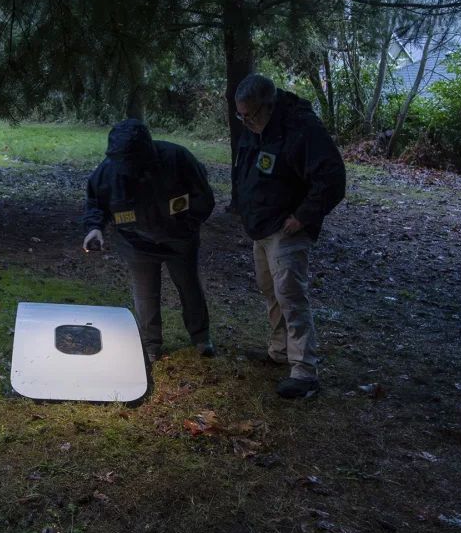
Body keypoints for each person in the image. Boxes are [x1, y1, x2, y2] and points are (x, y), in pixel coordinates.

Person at [230, 74, 345, 399]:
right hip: (262, 227)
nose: (245, 122)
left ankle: (304, 371)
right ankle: (280, 351)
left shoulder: (301, 129)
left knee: (291, 296)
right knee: (271, 291)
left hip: (286, 227)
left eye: (249, 115)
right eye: (241, 116)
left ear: (269, 105)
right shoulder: (255, 127)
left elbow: (333, 178)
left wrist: (303, 216)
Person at [83, 119, 215, 362]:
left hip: (179, 240)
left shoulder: (177, 158)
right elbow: (96, 203)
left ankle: (201, 337)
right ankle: (151, 345)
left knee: (189, 286)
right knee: (145, 293)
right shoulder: (108, 171)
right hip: (136, 242)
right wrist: (95, 228)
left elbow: (203, 197)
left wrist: (187, 225)